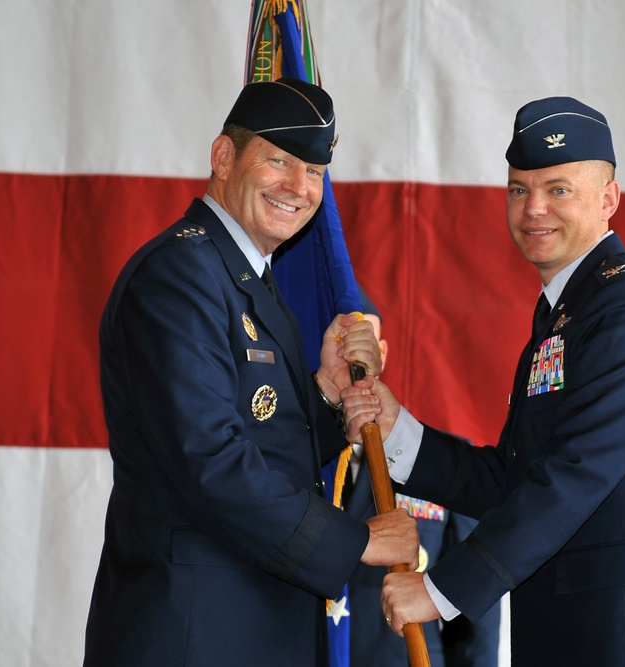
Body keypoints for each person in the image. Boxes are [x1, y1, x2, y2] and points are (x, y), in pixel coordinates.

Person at [342, 96, 625, 666]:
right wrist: (398, 430)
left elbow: (572, 477)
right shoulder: (570, 311)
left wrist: (442, 589)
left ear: (609, 199)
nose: (533, 209)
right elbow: (515, 480)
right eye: (519, 189)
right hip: (575, 634)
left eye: (558, 189)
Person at [83, 77, 419, 667]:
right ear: (222, 157)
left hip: (246, 627)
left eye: (315, 171)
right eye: (280, 161)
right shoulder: (180, 278)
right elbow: (210, 461)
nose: (300, 187)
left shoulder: (241, 277)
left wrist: (325, 395)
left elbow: (258, 430)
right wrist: (357, 540)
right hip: (193, 633)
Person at [340, 287, 501, 666]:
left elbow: (475, 617)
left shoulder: (443, 466)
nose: (352, 363)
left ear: (383, 354)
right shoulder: (281, 463)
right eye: (340, 348)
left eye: (364, 349)